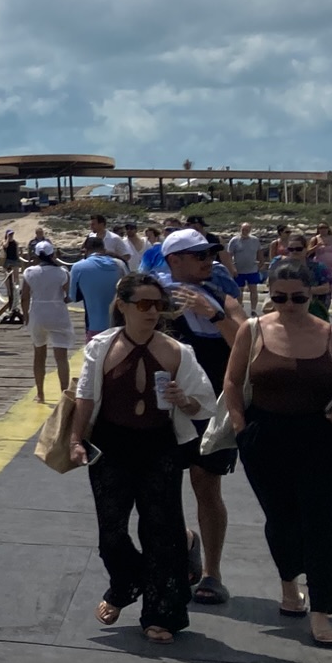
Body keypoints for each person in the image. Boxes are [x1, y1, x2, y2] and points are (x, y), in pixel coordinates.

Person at [69, 273, 216, 643]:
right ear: (123, 305)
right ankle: (127, 583)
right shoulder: (102, 346)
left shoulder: (177, 351)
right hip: (111, 445)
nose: (152, 312)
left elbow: (204, 404)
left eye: (159, 305)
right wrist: (75, 439)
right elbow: (86, 395)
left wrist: (184, 400)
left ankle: (161, 613)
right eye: (144, 304)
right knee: (111, 533)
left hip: (159, 446)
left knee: (161, 531)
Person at [223, 257, 332, 648]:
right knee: (281, 519)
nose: (289, 305)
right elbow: (232, 381)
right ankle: (289, 584)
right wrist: (241, 429)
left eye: (297, 297)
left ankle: (322, 609)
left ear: (311, 295)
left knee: (326, 523)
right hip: (266, 437)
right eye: (279, 297)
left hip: (322, 438)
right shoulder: (253, 330)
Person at [155, 226, 246, 605]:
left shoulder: (222, 295)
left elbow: (246, 344)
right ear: (174, 260)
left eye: (210, 254)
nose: (210, 261)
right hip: (165, 406)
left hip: (212, 407)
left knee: (207, 486)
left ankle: (212, 572)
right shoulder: (154, 296)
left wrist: (214, 314)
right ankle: (184, 543)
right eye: (200, 255)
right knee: (160, 490)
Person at [21, 240, 72, 400]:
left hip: (38, 312)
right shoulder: (62, 272)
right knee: (61, 357)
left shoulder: (30, 272)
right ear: (53, 254)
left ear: (36, 255)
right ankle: (64, 394)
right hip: (57, 313)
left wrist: (26, 315)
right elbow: (68, 296)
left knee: (39, 354)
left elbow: (24, 296)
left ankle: (40, 393)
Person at [69, 236, 125, 336]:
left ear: (85, 250)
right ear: (104, 249)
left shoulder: (78, 267)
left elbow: (73, 297)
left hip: (94, 326)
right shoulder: (120, 264)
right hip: (120, 325)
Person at [227, 221, 264, 312]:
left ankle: (253, 309)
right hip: (239, 270)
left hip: (252, 270)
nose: (245, 231)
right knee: (239, 291)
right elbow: (229, 256)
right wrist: (232, 268)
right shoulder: (234, 240)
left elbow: (259, 253)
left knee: (253, 290)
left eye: (247, 230)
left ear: (250, 230)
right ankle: (240, 307)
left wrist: (260, 264)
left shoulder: (255, 240)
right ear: (240, 229)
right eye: (243, 229)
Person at [0, 229, 23, 322]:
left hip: (14, 260)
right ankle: (9, 292)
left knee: (15, 277)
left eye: (12, 234)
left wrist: (19, 259)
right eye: (10, 234)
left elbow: (17, 252)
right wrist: (8, 239)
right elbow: (5, 246)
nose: (11, 236)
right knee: (7, 278)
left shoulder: (15, 242)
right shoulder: (4, 241)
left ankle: (16, 289)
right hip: (7, 261)